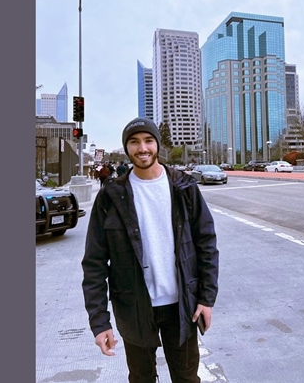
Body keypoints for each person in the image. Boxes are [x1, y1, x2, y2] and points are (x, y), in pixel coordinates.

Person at [81, 117, 219, 383]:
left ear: (157, 145)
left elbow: (207, 244)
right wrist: (99, 322)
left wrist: (206, 298)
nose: (142, 148)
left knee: (187, 378)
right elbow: (94, 263)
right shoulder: (111, 196)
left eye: (148, 140)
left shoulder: (184, 187)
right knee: (141, 378)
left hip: (182, 306)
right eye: (134, 142)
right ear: (126, 148)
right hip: (133, 307)